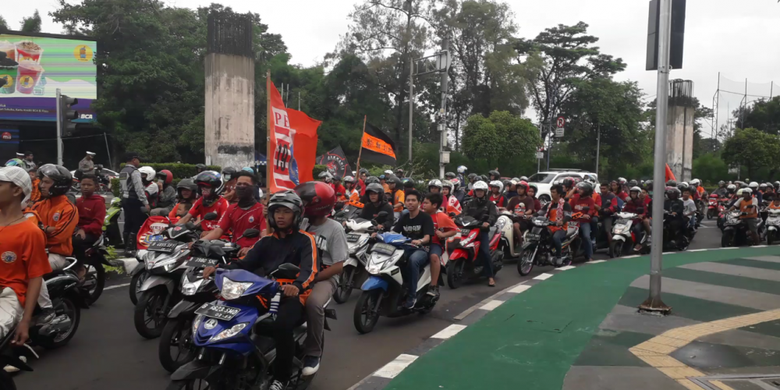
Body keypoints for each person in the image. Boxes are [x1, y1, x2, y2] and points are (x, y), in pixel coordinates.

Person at [202, 191, 317, 390]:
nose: (280, 216)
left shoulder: (305, 240)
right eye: (277, 211)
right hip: (262, 291)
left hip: (290, 295)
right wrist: (219, 269)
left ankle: (282, 377)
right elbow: (245, 263)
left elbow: (310, 269)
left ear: (296, 215)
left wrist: (296, 286)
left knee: (282, 326)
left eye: (286, 212)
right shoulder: (266, 241)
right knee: (230, 312)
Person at [294, 182, 348, 376]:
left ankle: (313, 353)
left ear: (319, 204)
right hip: (297, 274)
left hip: (323, 278)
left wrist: (312, 278)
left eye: (305, 202)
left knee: (314, 303)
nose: (301, 205)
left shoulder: (335, 229)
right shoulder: (300, 223)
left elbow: (338, 266)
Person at [0, 166, 51, 347]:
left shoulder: (30, 232)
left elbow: (36, 278)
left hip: (9, 296)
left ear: (16, 190)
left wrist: (26, 321)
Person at [30, 164, 78, 318]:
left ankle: (47, 310)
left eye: (46, 182)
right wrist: (46, 229)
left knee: (30, 270)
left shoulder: (68, 208)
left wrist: (38, 230)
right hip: (36, 251)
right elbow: (24, 226)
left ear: (59, 185)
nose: (41, 185)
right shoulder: (38, 205)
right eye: (41, 181)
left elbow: (59, 236)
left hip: (56, 254)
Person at [202, 171, 265, 256]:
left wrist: (252, 249)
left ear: (253, 188)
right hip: (233, 253)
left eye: (245, 184)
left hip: (253, 255)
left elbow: (265, 237)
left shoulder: (262, 210)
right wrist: (199, 242)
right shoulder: (231, 209)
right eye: (239, 184)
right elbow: (217, 231)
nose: (241, 187)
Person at [392, 190, 435, 308]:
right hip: (405, 247)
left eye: (413, 200)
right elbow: (394, 232)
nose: (410, 203)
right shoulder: (404, 217)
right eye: (408, 200)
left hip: (421, 249)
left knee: (413, 261)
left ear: (419, 203)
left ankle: (412, 296)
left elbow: (427, 237)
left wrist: (419, 241)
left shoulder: (425, 218)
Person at [462, 181, 498, 286]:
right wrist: (456, 218)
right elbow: (463, 213)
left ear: (485, 192)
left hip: (482, 231)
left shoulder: (490, 204)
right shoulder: (470, 203)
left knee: (485, 252)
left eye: (481, 190)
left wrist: (488, 222)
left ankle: (490, 277)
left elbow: (493, 216)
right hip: (469, 230)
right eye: (477, 190)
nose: (479, 192)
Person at [422, 192, 457, 299]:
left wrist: (442, 234)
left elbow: (454, 230)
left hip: (435, 244)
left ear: (435, 205)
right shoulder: (420, 214)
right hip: (419, 243)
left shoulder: (441, 216)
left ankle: (433, 285)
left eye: (426, 203)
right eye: (423, 202)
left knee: (434, 257)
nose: (423, 205)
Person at [73, 174, 106, 280]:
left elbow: (97, 224)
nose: (85, 187)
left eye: (89, 185)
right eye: (83, 184)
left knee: (76, 241)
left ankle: (80, 267)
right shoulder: (77, 201)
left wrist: (84, 229)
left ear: (96, 187)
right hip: (77, 230)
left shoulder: (98, 202)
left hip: (92, 233)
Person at [119, 152, 149, 255]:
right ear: (134, 160)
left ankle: (125, 246)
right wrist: (145, 202)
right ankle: (131, 247)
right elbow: (139, 188)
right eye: (138, 160)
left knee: (128, 222)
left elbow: (121, 187)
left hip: (124, 199)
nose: (139, 162)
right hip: (133, 200)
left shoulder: (123, 171)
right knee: (136, 222)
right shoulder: (134, 171)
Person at [539, 184, 572, 266]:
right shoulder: (549, 204)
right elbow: (540, 213)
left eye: (554, 192)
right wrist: (531, 216)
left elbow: (568, 216)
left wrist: (562, 221)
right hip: (549, 226)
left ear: (559, 194)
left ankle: (559, 257)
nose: (551, 194)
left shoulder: (565, 205)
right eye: (551, 192)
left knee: (556, 237)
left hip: (561, 228)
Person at [569, 181, 596, 262]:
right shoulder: (575, 198)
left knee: (586, 237)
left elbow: (590, 211)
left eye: (581, 189)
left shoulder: (590, 200)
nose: (579, 190)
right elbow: (569, 210)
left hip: (584, 222)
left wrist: (587, 215)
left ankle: (589, 255)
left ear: (587, 191)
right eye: (579, 189)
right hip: (573, 222)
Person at [597, 182, 621, 253]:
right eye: (601, 189)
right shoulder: (599, 195)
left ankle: (611, 248)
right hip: (599, 215)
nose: (602, 190)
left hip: (608, 216)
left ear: (608, 188)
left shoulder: (612, 196)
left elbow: (614, 206)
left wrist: (609, 209)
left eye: (604, 189)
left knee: (607, 230)